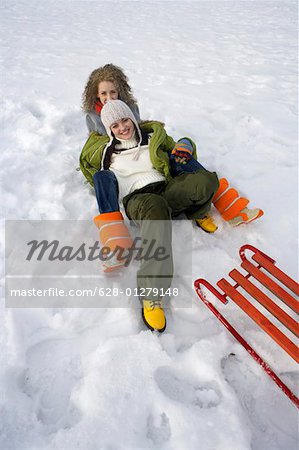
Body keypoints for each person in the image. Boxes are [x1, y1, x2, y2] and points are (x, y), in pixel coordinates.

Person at [81, 99, 220, 333]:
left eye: (125, 120)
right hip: (139, 201)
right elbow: (85, 160)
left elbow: (182, 147)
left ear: (133, 118)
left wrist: (186, 143)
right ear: (109, 130)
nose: (122, 127)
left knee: (205, 181)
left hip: (166, 189)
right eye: (114, 125)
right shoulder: (105, 153)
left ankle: (197, 212)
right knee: (155, 206)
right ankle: (151, 295)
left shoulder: (152, 138)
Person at [81, 63, 263, 234]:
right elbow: (94, 147)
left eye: (113, 92)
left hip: (144, 156)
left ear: (120, 91)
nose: (109, 98)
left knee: (179, 156)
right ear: (96, 95)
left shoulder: (130, 109)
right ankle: (114, 235)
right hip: (127, 171)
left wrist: (180, 144)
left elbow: (139, 130)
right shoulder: (92, 117)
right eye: (103, 94)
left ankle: (227, 204)